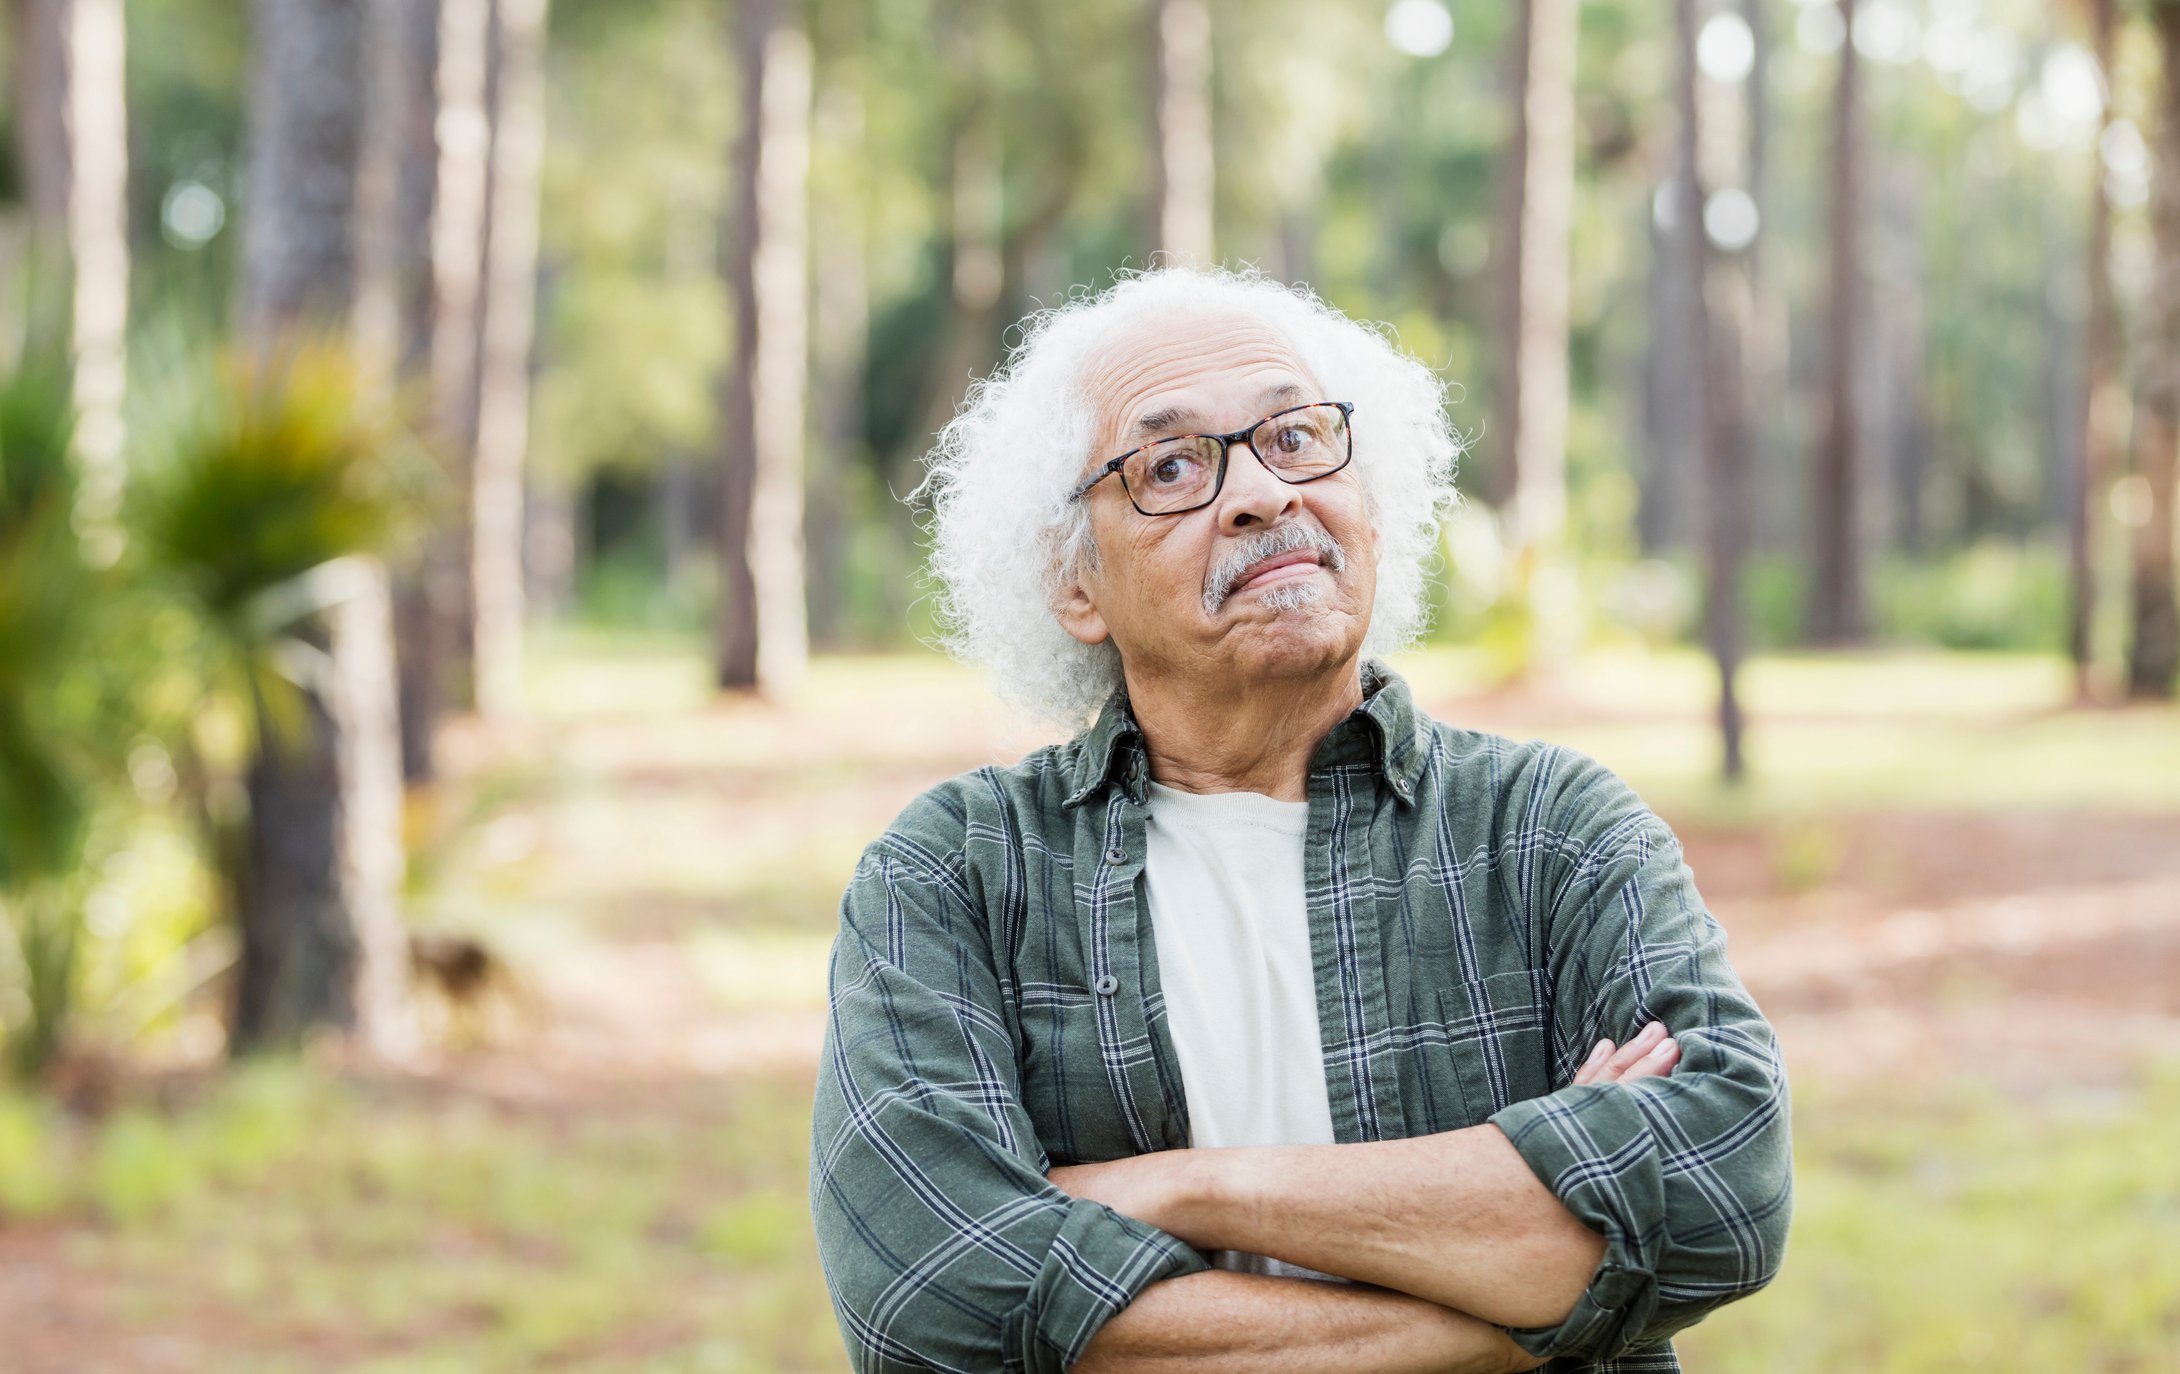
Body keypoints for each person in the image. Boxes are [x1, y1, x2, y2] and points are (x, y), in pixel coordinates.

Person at [808, 266, 1792, 1374]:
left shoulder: (1548, 830)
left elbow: (1720, 1189)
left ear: (1366, 501)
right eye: (1172, 465)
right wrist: (1530, 1301)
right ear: (1071, 582)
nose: (1261, 496)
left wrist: (1191, 1186)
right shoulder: (957, 876)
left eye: (1293, 438)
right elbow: (935, 1299)